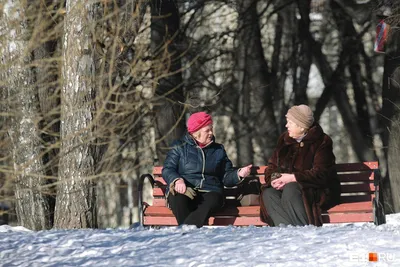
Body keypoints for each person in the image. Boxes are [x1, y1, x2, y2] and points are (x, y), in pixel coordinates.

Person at [162, 111, 252, 227]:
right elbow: (168, 169)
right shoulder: (179, 146)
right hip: (187, 189)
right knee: (177, 198)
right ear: (195, 132)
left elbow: (226, 176)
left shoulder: (218, 150)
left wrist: (238, 174)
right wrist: (177, 180)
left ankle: (186, 230)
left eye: (211, 129)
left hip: (210, 191)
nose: (211, 133)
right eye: (207, 130)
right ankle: (190, 232)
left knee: (214, 199)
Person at [260, 105, 341, 227]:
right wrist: (275, 179)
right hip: (288, 188)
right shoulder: (284, 140)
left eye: (290, 123)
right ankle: (286, 231)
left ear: (301, 126)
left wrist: (293, 178)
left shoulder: (322, 141)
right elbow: (272, 166)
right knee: (269, 194)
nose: (286, 126)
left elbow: (321, 174)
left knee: (291, 189)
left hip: (317, 190)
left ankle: (303, 231)